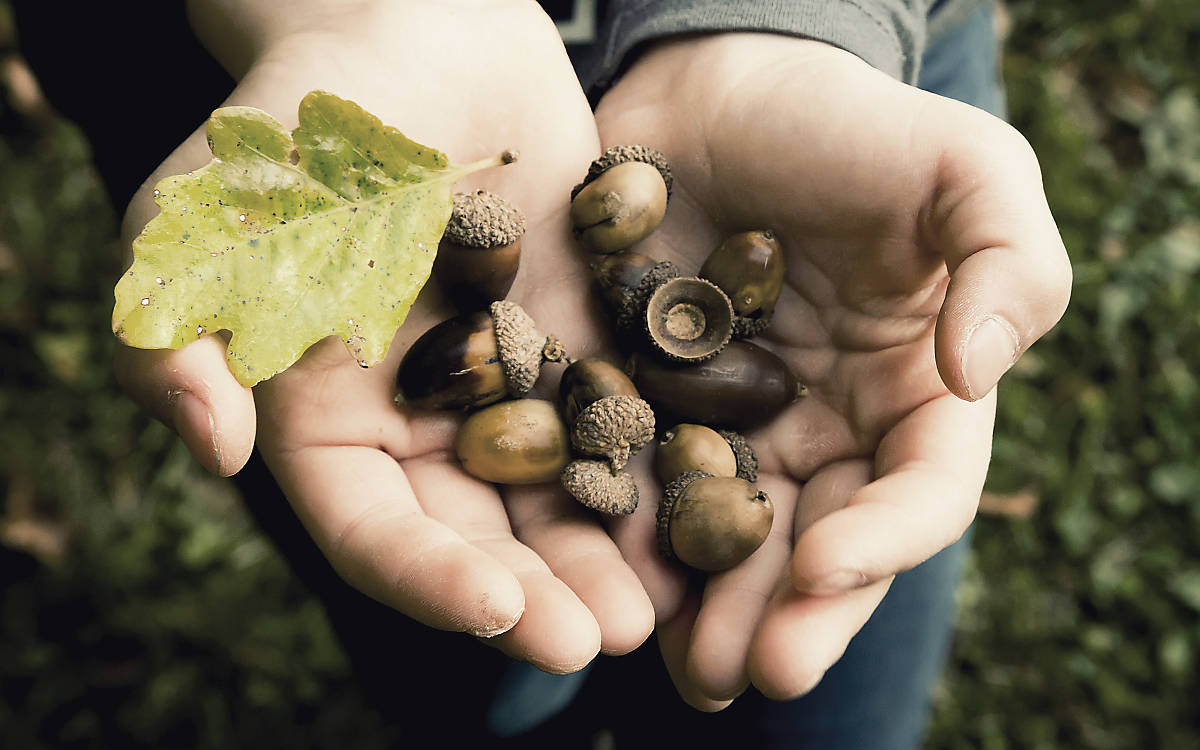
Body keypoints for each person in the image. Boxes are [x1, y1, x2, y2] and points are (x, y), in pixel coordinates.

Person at [16, 0, 1071, 746]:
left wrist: (791, 17)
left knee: (807, 705)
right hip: (242, 53)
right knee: (470, 664)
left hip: (838, 56)